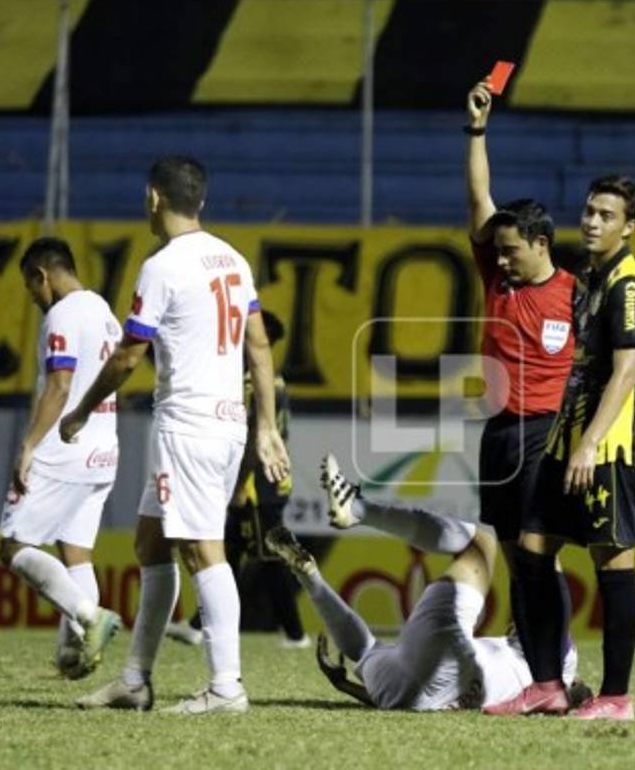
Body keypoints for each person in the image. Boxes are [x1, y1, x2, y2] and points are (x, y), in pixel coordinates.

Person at [62, 156, 290, 715]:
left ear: (153, 198)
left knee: (202, 549)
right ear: (201, 201)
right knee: (151, 541)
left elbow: (128, 356)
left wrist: (82, 409)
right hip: (225, 424)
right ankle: (136, 680)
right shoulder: (233, 260)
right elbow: (258, 345)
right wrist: (264, 426)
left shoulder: (162, 266)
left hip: (187, 426)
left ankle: (227, 686)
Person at [486, 175, 635, 721]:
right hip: (569, 435)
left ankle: (617, 696)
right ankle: (547, 684)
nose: (592, 222)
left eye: (606, 215)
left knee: (613, 562)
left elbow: (628, 371)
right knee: (532, 549)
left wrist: (590, 445)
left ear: (629, 227)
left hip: (603, 445)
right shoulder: (589, 278)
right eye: (589, 211)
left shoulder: (628, 285)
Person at [260, 454, 583, 712]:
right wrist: (346, 686)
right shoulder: (532, 679)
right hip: (406, 696)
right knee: (366, 650)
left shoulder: (556, 666)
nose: (517, 619)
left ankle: (359, 509)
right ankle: (308, 574)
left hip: (451, 662)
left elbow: (542, 583)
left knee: (482, 544)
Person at [464, 78, 576, 648]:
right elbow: (480, 200)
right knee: (511, 549)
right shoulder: (497, 281)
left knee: (538, 550)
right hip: (499, 430)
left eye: (511, 249)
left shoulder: (576, 295)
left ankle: (557, 651)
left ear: (541, 244)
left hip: (546, 433)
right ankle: (527, 642)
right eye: (497, 249)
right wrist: (478, 129)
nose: (500, 258)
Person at [0, 237, 123, 679]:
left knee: (13, 546)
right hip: (104, 447)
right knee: (77, 554)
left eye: (30, 287)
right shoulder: (103, 311)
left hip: (63, 449)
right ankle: (74, 656)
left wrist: (29, 445)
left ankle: (90, 618)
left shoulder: (63, 315)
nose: (32, 297)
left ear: (41, 276)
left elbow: (60, 386)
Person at [166, 310, 308, 650]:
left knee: (269, 560)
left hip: (258, 488)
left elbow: (251, 440)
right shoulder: (274, 382)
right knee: (227, 554)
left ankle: (295, 633)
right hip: (267, 485)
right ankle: (199, 625)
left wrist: (240, 486)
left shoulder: (252, 384)